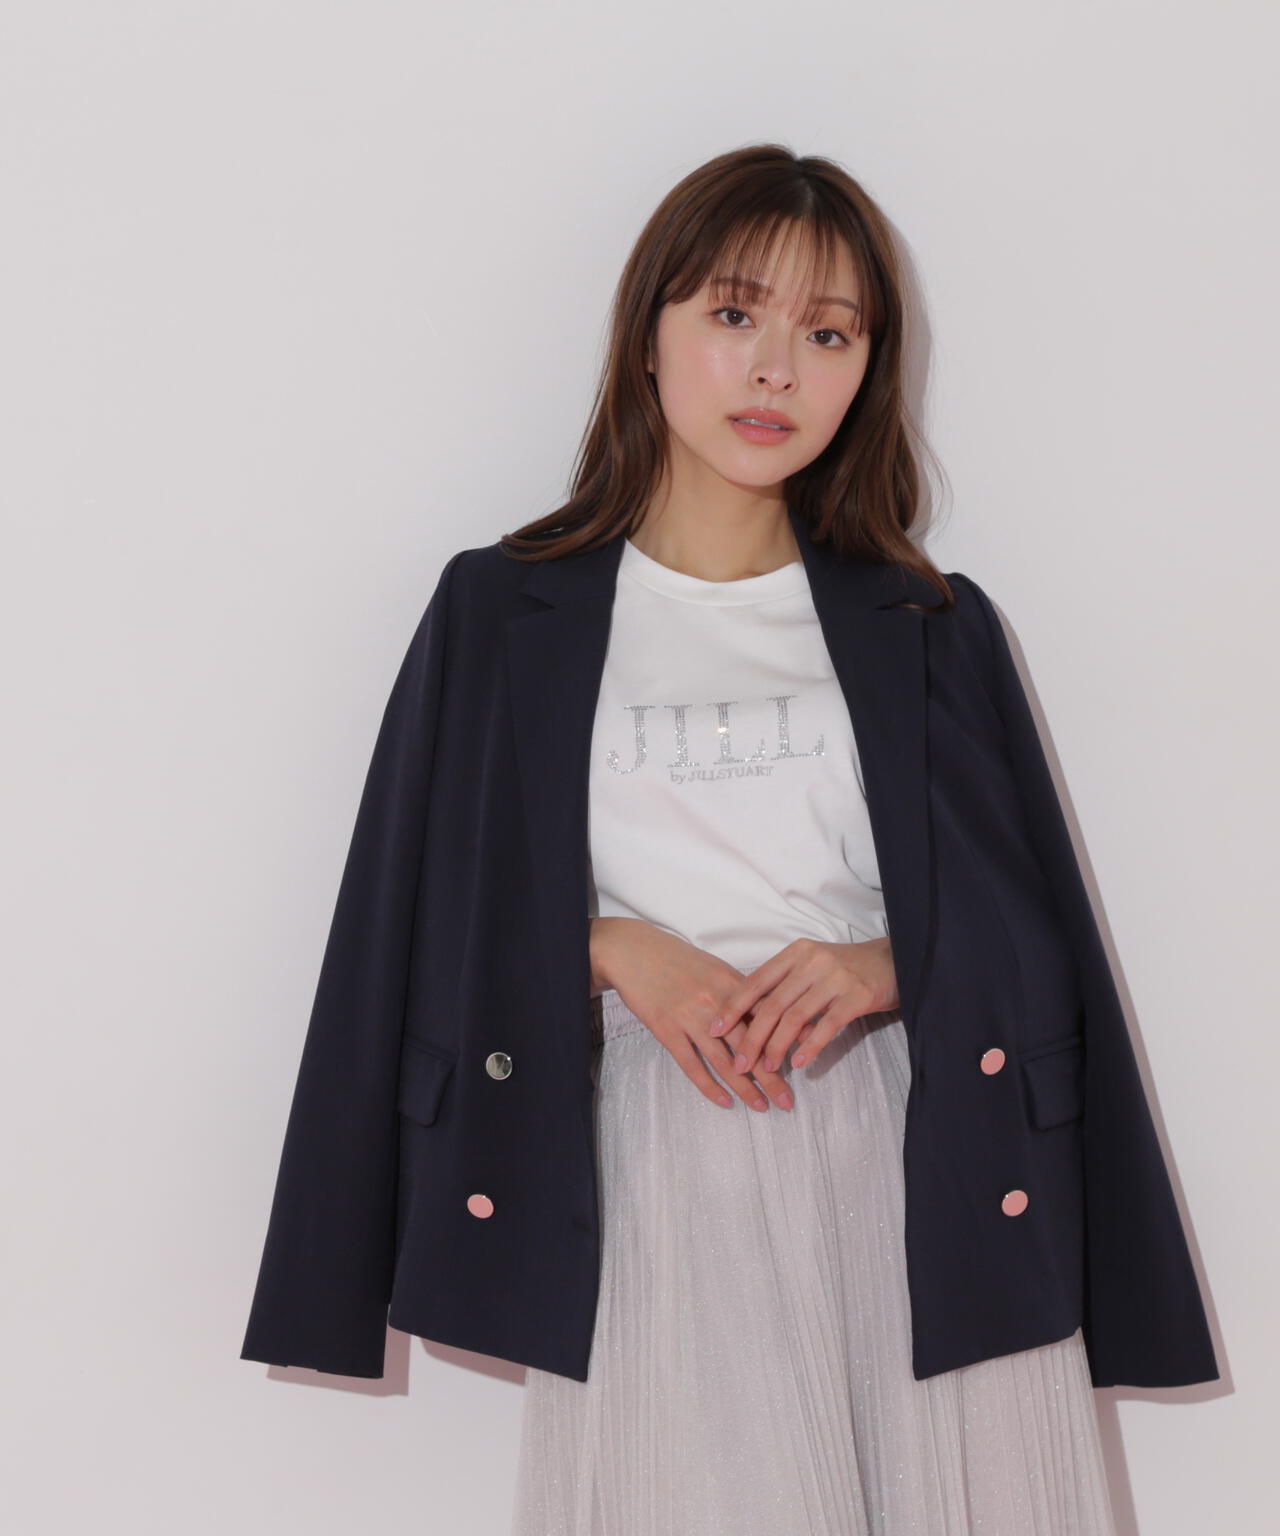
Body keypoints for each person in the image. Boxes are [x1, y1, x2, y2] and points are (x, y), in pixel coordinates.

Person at [240, 143, 1217, 1534]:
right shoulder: (501, 612)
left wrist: (889, 965)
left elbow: (1036, 936)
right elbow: (405, 926)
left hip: (909, 1154)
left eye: (828, 334)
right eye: (734, 313)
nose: (776, 370)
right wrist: (604, 946)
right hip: (650, 1161)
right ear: (647, 337)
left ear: (867, 370)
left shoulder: (931, 622)